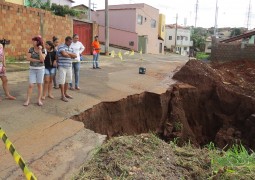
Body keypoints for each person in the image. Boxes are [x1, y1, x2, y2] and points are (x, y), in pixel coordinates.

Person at [24, 36, 46, 106]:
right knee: (31, 85)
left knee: (39, 84)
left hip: (40, 69)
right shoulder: (31, 49)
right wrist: (37, 60)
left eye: (34, 41)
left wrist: (39, 50)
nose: (32, 42)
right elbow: (28, 58)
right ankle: (28, 100)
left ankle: (39, 100)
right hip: (32, 69)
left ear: (37, 42)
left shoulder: (43, 50)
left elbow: (42, 60)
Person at [57, 36, 77, 102]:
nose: (70, 43)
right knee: (62, 81)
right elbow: (64, 54)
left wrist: (68, 53)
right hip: (62, 66)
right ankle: (62, 95)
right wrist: (71, 55)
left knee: (67, 81)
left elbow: (75, 56)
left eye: (71, 42)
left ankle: (65, 93)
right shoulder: (61, 46)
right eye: (69, 42)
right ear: (66, 41)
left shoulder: (71, 47)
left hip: (69, 66)